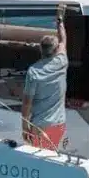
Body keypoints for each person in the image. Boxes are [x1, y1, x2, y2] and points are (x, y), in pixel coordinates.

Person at [22, 8, 69, 149]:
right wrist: (60, 19)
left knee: (41, 159)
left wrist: (25, 126)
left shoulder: (33, 71)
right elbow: (63, 39)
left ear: (40, 50)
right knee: (51, 155)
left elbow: (27, 103)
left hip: (40, 125)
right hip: (58, 124)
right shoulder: (62, 61)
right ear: (56, 51)